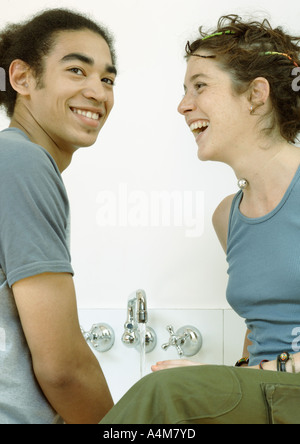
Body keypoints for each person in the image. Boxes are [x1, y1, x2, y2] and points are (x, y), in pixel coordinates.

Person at [100, 14, 300, 424]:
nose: (183, 105)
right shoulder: (228, 217)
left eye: (201, 86)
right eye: (184, 90)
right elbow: (255, 340)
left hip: (284, 391)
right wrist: (238, 377)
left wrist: (230, 380)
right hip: (269, 396)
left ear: (256, 95)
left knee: (166, 391)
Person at [0, 8, 118, 424]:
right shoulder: (20, 161)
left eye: (107, 79)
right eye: (76, 70)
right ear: (22, 79)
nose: (98, 92)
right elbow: (62, 368)